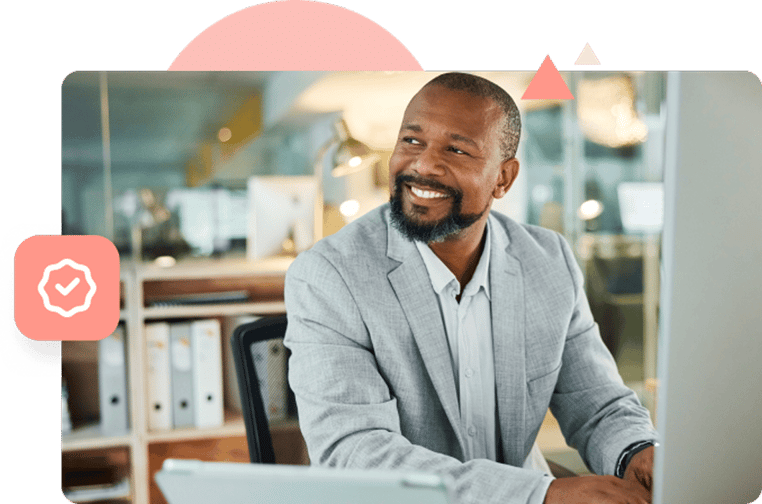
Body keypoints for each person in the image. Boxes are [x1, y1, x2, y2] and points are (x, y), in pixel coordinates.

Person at [283, 72, 658, 504]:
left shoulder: (548, 260)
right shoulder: (330, 275)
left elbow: (598, 404)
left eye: (457, 149)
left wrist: (637, 453)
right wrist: (540, 495)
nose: (423, 164)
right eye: (411, 141)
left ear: (503, 178)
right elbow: (355, 453)